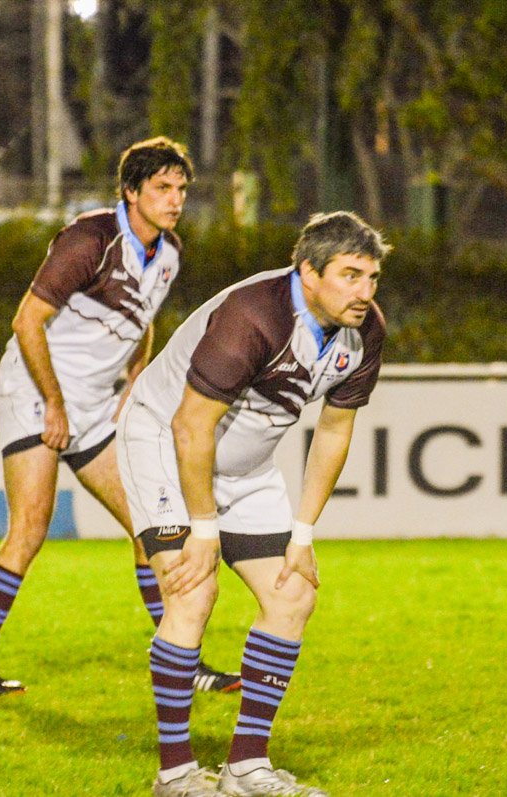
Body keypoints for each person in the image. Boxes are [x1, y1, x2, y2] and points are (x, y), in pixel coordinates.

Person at [0, 136, 240, 699]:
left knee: (156, 529)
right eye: (162, 187)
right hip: (36, 391)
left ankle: (181, 660)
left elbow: (143, 320)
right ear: (131, 192)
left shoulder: (171, 254)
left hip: (90, 406)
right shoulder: (91, 239)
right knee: (31, 529)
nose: (175, 198)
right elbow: (26, 322)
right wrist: (55, 404)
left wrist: (137, 376)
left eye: (181, 188)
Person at [116, 211, 389, 797]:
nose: (364, 292)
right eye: (350, 275)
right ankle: (176, 775)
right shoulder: (253, 315)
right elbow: (190, 427)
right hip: (164, 445)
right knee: (194, 591)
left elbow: (335, 431)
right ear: (309, 272)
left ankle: (245, 770)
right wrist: (205, 529)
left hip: (243, 467)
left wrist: (304, 532)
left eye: (372, 277)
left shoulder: (363, 332)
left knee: (292, 595)